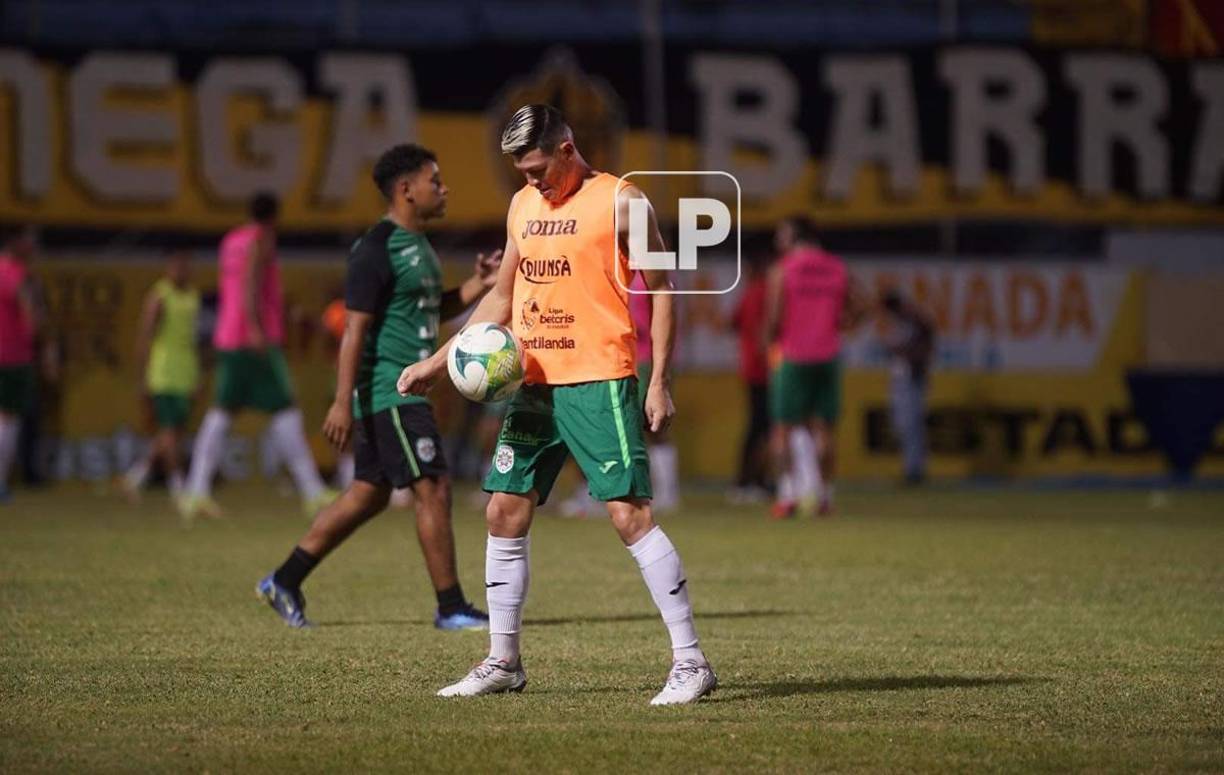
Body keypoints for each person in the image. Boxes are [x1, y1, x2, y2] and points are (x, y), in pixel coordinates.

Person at [397, 104, 717, 705]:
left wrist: (659, 380)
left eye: (539, 168)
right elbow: (502, 297)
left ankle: (691, 662)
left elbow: (664, 290)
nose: (532, 181)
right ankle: (502, 661)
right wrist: (438, 364)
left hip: (600, 380)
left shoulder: (622, 202)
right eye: (523, 172)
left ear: (567, 149)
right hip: (535, 383)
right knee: (502, 512)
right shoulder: (524, 205)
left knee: (628, 516)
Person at [257, 143, 499, 631]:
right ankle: (450, 606)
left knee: (368, 494)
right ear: (406, 190)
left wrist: (477, 285)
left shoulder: (420, 246)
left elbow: (432, 308)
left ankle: (284, 580)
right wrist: (342, 402)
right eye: (436, 179)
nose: (444, 187)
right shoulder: (376, 248)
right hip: (393, 391)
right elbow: (354, 330)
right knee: (432, 486)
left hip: (401, 391)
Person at [179, 193, 336, 520]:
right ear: (275, 216)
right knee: (285, 408)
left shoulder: (231, 240)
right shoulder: (262, 239)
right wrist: (255, 327)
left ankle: (195, 492)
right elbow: (250, 282)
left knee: (222, 412)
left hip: (228, 337)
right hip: (254, 339)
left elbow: (233, 286)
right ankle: (312, 491)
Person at [763, 216, 864, 518]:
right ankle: (824, 497)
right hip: (828, 355)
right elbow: (861, 304)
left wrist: (769, 347)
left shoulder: (783, 269)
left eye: (782, 235)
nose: (778, 242)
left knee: (782, 429)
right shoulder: (837, 267)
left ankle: (788, 495)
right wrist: (841, 324)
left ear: (795, 236)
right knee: (824, 429)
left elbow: (773, 316)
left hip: (792, 355)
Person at [123, 250, 201, 500]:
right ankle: (178, 483)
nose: (181, 272)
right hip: (163, 371)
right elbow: (145, 334)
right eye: (176, 267)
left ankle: (137, 475)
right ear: (168, 269)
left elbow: (193, 338)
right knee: (168, 430)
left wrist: (197, 373)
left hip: (185, 372)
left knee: (175, 432)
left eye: (185, 267)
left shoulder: (193, 297)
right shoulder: (159, 295)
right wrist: (142, 374)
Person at [0, 226, 39, 503]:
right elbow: (27, 307)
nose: (33, 247)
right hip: (11, 356)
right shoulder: (13, 271)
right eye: (29, 241)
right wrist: (35, 327)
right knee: (9, 419)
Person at [728, 254, 771, 502]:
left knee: (758, 427)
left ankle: (750, 481)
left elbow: (733, 322)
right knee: (762, 427)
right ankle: (750, 481)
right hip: (765, 369)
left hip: (751, 367)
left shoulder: (749, 292)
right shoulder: (765, 290)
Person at [881, 288, 934, 485]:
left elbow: (926, 339)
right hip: (899, 378)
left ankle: (915, 471)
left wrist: (910, 355)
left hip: (913, 378)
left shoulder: (915, 321)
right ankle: (911, 467)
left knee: (912, 425)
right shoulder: (898, 324)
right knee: (901, 424)